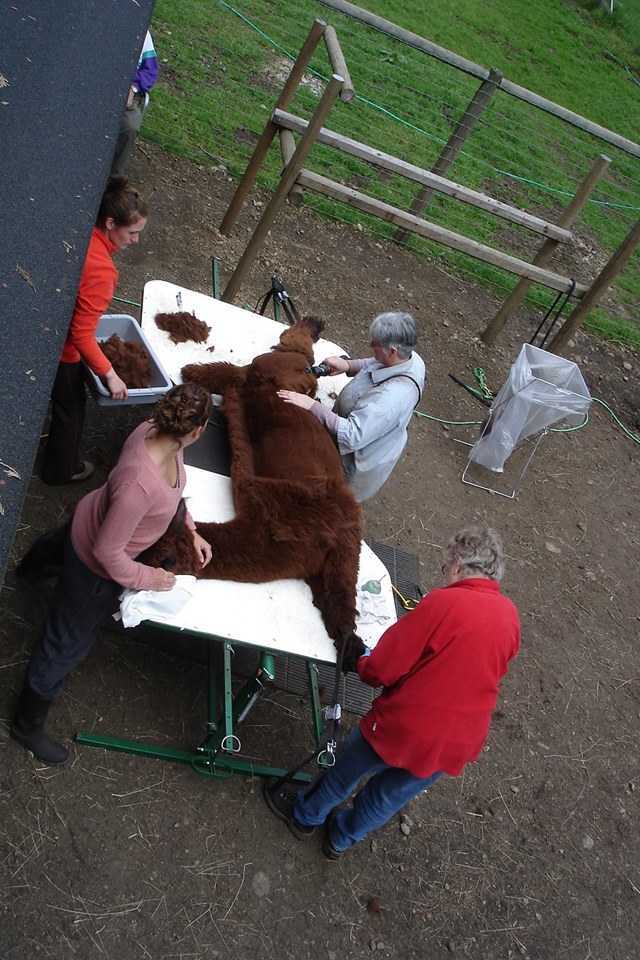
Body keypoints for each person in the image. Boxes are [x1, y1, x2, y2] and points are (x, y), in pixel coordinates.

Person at [264, 525, 521, 859]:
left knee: (347, 768)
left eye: (445, 567)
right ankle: (340, 839)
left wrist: (364, 660)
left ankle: (305, 816)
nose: (444, 575)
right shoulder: (510, 616)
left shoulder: (444, 603)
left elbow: (384, 669)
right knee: (388, 796)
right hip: (458, 742)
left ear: (458, 564)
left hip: (406, 727)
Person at [12, 383, 213, 767]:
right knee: (64, 643)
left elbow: (173, 494)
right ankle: (26, 723)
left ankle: (31, 568)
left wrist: (190, 528)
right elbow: (108, 553)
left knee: (57, 544)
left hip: (88, 519)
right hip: (94, 566)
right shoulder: (140, 483)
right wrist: (149, 578)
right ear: (197, 430)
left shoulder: (156, 432)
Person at [42, 176, 149, 485]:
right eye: (133, 233)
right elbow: (79, 334)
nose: (136, 241)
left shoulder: (83, 233)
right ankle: (60, 471)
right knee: (72, 410)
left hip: (49, 326)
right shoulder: (102, 271)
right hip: (62, 351)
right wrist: (109, 373)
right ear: (111, 222)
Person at [278, 311, 425, 502]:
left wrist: (312, 406)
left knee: (325, 497)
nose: (370, 345)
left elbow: (352, 435)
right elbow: (377, 362)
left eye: (376, 344)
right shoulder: (410, 358)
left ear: (393, 351)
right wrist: (348, 366)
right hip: (363, 430)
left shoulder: (389, 399)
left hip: (353, 460)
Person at [110, 30, 159, 176]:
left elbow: (151, 72)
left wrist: (133, 87)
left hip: (129, 92)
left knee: (130, 125)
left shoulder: (144, 35)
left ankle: (112, 180)